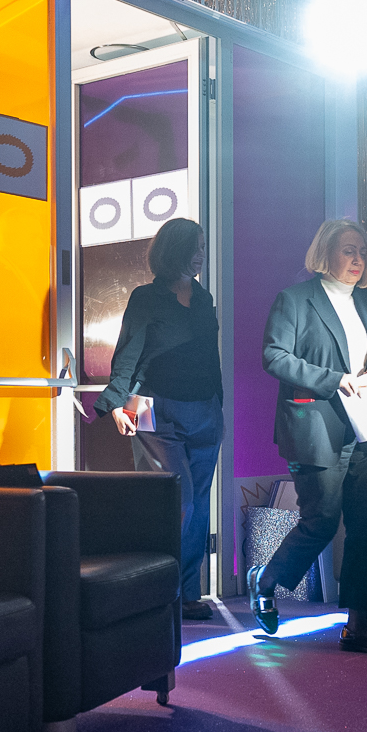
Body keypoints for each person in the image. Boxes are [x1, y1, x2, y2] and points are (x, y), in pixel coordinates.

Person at [247, 219, 367, 655]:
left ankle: (357, 626)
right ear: (325, 254)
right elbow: (274, 356)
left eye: (363, 252)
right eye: (349, 250)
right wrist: (333, 379)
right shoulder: (296, 300)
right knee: (322, 521)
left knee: (366, 527)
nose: (358, 259)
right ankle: (266, 579)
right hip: (315, 426)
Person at [95, 218, 224, 622]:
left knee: (199, 504)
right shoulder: (145, 298)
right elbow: (128, 352)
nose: (201, 254)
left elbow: (210, 358)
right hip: (157, 410)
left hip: (205, 412)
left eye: (203, 247)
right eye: (194, 246)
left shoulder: (203, 299)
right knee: (177, 502)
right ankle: (159, 591)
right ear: (174, 250)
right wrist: (117, 403)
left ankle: (187, 594)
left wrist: (218, 405)